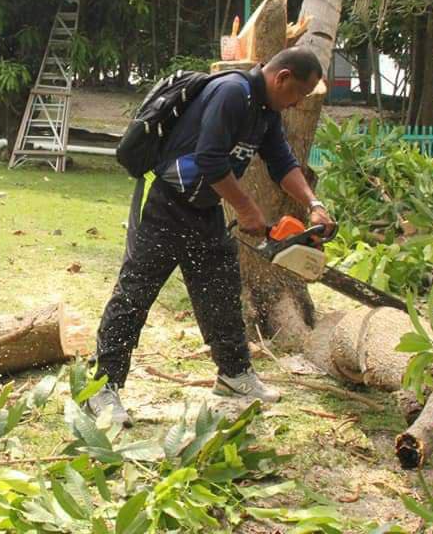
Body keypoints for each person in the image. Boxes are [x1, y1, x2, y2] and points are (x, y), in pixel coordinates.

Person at [86, 46, 335, 426]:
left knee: (220, 292)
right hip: (166, 204)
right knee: (135, 294)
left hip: (204, 211)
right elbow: (210, 159)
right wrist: (249, 210)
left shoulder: (265, 111)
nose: (295, 103)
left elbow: (283, 163)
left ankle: (234, 376)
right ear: (282, 78)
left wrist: (314, 203)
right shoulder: (233, 92)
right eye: (297, 95)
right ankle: (102, 388)